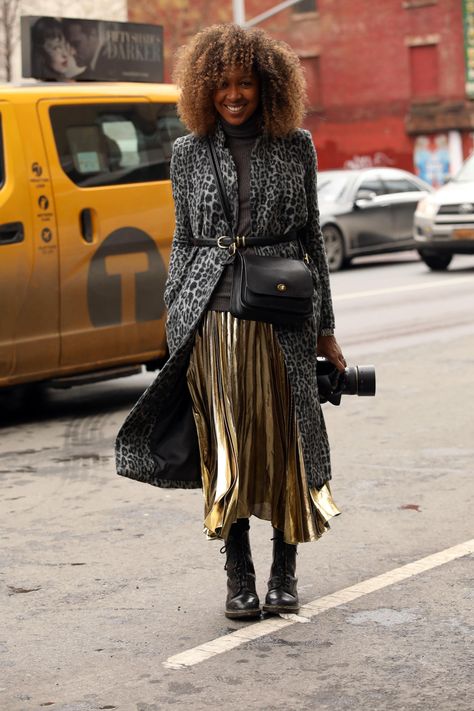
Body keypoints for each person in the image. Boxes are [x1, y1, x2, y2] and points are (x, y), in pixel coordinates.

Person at [115, 24, 345, 619]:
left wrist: (326, 327)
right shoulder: (189, 152)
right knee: (228, 445)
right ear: (206, 90)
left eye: (245, 83)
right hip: (214, 317)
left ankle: (285, 572)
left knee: (285, 441)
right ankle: (238, 574)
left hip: (282, 317)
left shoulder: (295, 145)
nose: (234, 95)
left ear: (266, 86)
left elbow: (310, 239)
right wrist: (177, 314)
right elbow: (185, 238)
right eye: (223, 85)